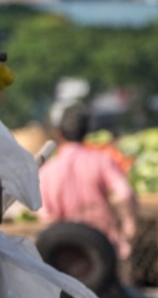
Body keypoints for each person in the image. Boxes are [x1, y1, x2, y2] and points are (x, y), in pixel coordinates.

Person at [38, 105, 138, 258]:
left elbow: (45, 215)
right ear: (87, 132)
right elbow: (124, 194)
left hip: (65, 251)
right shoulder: (102, 160)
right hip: (103, 246)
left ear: (59, 134)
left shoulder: (46, 171)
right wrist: (128, 226)